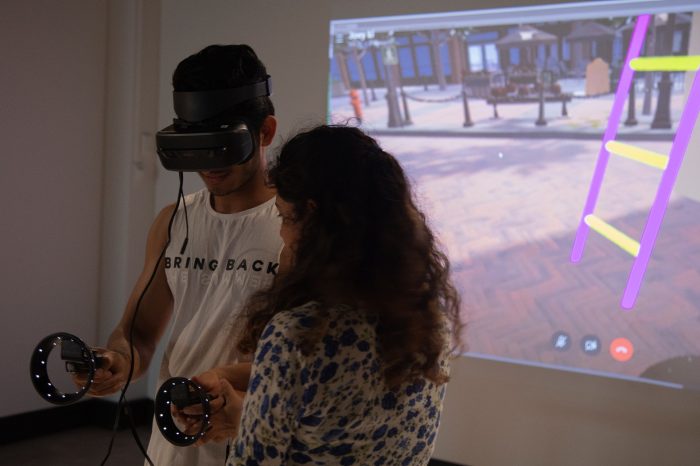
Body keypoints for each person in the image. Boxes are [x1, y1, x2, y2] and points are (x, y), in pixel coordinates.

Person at [194, 125, 464, 465]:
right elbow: (340, 419)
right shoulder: (427, 319)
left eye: (284, 217)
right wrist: (238, 394)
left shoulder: (297, 334)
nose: (282, 234)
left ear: (312, 220)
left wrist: (247, 422)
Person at [76, 44, 283, 466]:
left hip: (254, 444)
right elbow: (138, 335)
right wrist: (116, 362)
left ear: (264, 132)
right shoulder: (173, 221)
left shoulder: (296, 226)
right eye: (193, 141)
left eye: (221, 142)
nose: (208, 162)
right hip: (171, 447)